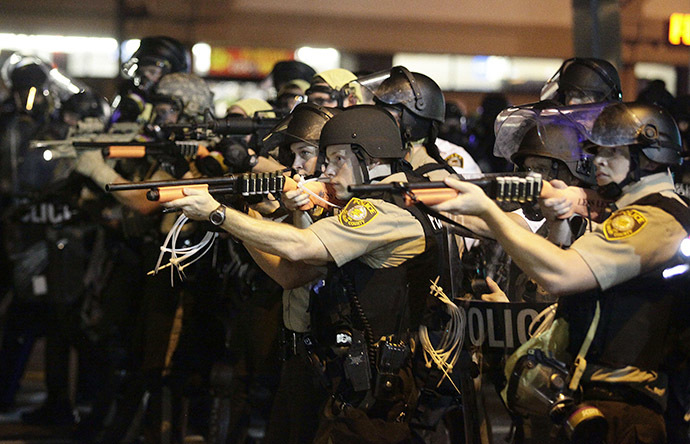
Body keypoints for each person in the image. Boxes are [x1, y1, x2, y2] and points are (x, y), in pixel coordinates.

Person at [163, 105, 454, 442]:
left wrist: (220, 214)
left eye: (337, 159)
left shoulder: (383, 210)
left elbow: (300, 250)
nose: (327, 171)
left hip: (379, 395)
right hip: (365, 383)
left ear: (370, 159)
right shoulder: (400, 197)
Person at [432, 101, 689, 444]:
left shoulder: (653, 219)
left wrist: (489, 211)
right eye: (596, 152)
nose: (597, 162)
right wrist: (560, 218)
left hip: (627, 412)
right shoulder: (642, 213)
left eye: (612, 154)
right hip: (606, 406)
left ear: (648, 158)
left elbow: (562, 274)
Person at [112, 36, 189, 124]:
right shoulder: (129, 93)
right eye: (141, 72)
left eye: (153, 72)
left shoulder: (181, 102)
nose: (145, 77)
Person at [540, 57, 622, 106]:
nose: (571, 102)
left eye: (582, 96)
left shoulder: (622, 134)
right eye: (569, 95)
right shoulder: (556, 132)